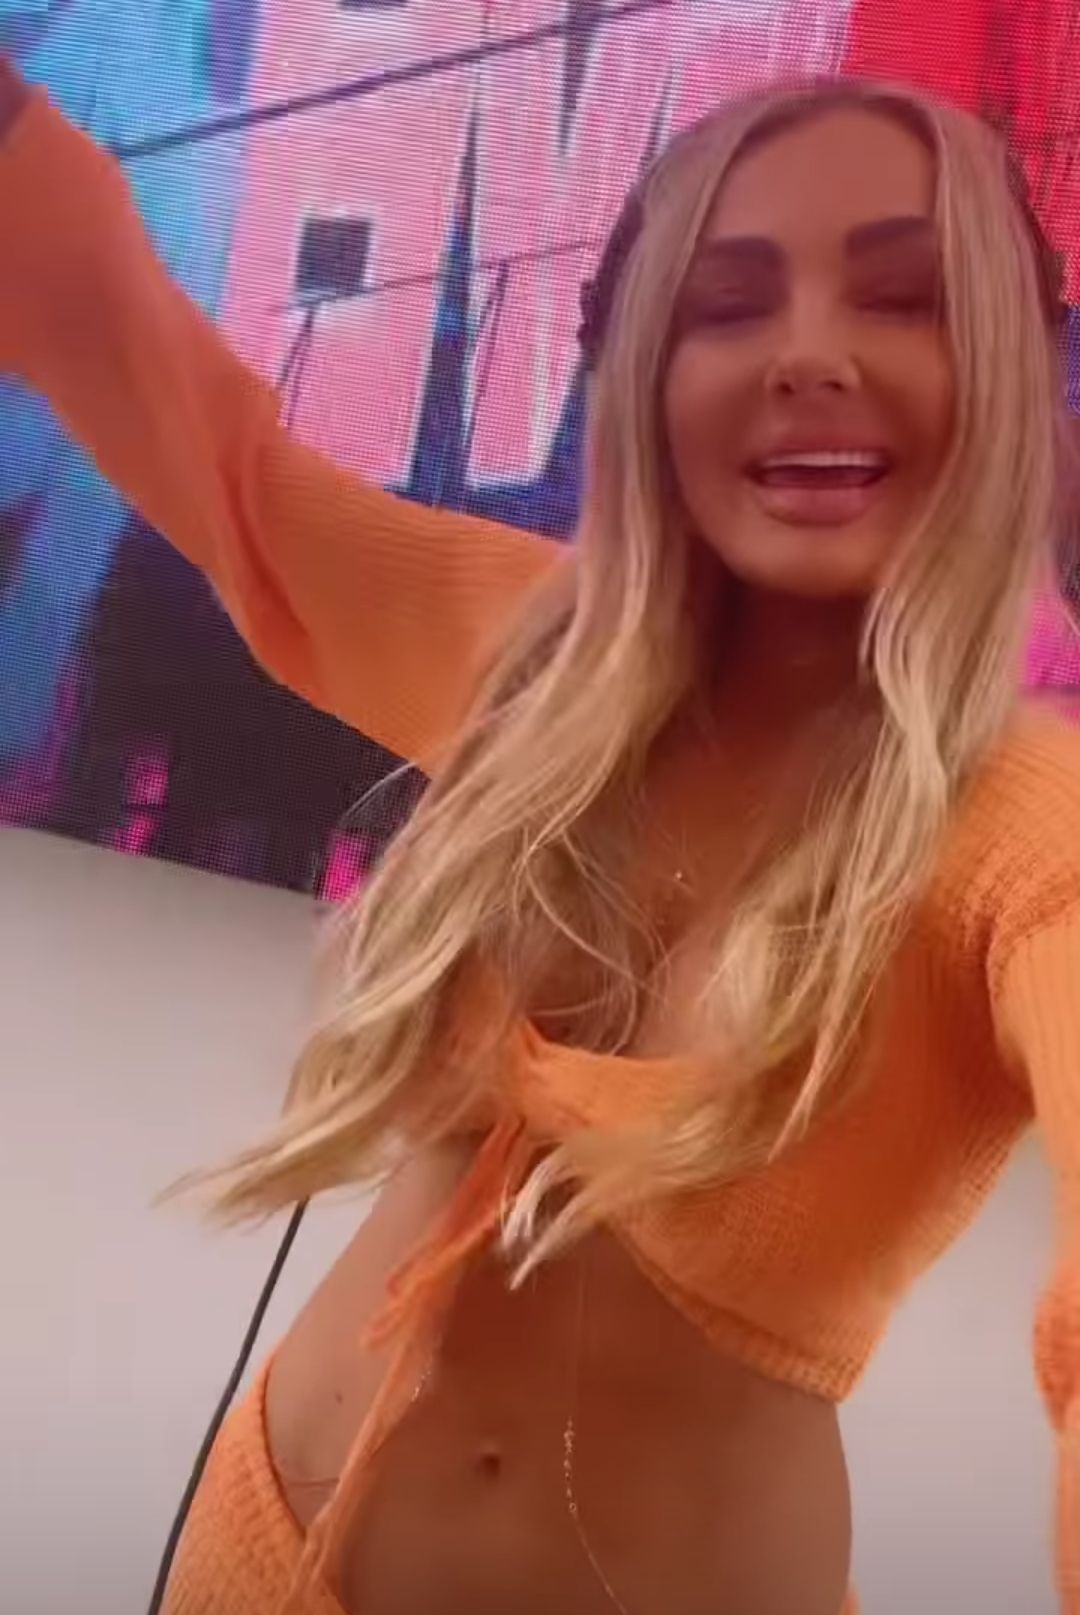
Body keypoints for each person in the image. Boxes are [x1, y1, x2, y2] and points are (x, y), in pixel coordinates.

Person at [2, 56, 1080, 1615]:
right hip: (251, 1555)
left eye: (907, 297)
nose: (808, 356)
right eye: (726, 305)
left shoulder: (1032, 839)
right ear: (644, 375)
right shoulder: (542, 660)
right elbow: (222, 470)